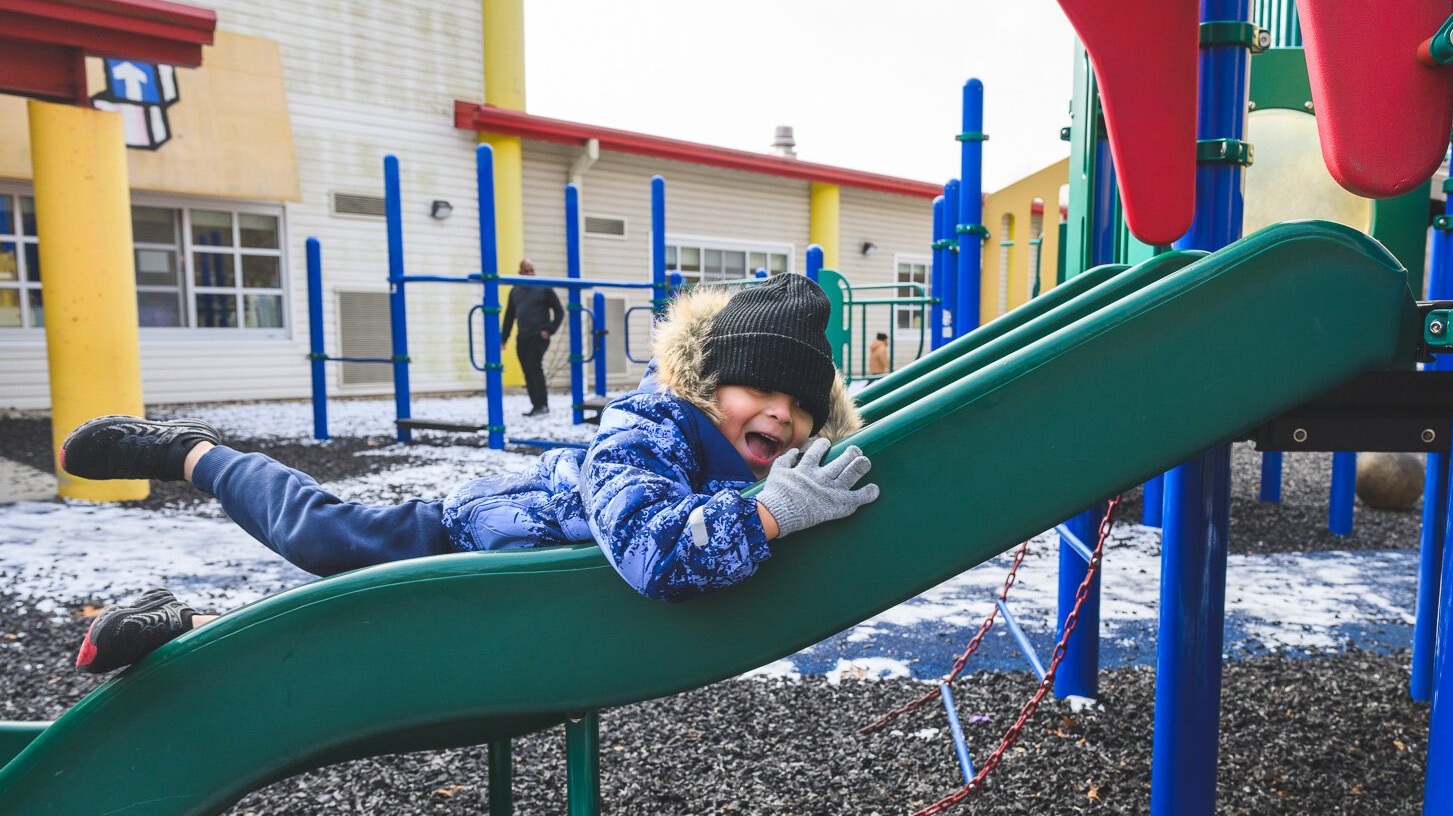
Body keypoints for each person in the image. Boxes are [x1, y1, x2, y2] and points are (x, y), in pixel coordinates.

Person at [61, 273, 878, 674]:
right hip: (468, 532)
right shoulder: (647, 425)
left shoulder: (749, 473)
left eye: (798, 406)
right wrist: (771, 517)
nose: (777, 414)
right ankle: (192, 453)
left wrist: (770, 508)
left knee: (335, 645)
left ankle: (182, 629)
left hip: (506, 593)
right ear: (708, 384)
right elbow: (654, 552)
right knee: (319, 538)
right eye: (758, 389)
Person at [500, 259, 564, 415]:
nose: (529, 274)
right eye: (526, 271)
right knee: (527, 371)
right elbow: (509, 317)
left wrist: (549, 329)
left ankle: (543, 404)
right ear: (520, 273)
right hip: (523, 337)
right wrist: (503, 339)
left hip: (539, 336)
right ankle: (536, 405)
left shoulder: (543, 287)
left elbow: (559, 311)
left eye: (532, 271)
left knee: (534, 367)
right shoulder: (515, 291)